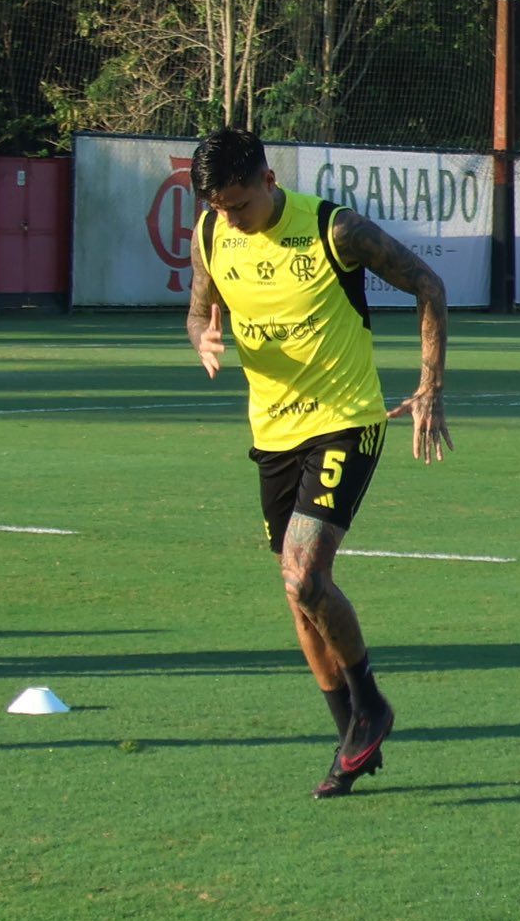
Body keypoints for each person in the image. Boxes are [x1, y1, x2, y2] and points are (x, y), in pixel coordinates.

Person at [182, 127, 452, 794]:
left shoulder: (335, 231)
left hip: (346, 423)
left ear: (270, 182)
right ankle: (352, 735)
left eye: (239, 204)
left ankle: (372, 705)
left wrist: (429, 387)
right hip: (271, 435)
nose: (230, 217)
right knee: (298, 599)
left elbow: (427, 283)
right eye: (218, 206)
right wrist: (204, 337)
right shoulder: (212, 235)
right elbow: (197, 311)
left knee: (305, 577)